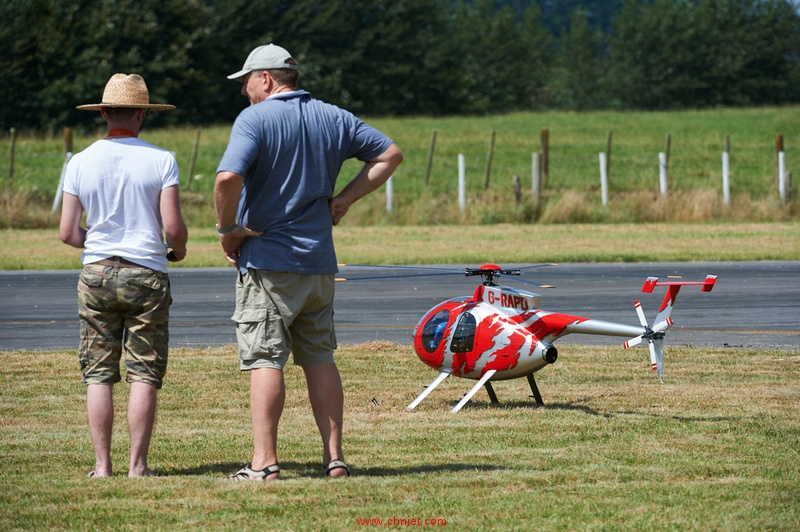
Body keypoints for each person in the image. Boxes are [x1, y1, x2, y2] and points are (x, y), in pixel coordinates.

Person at [215, 44, 403, 480]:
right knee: (320, 358)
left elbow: (227, 177)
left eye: (246, 82)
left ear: (266, 78)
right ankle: (334, 458)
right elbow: (389, 155)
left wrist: (229, 228)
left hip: (268, 261)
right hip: (319, 263)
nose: (244, 91)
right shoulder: (334, 116)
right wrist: (345, 200)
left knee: (265, 359)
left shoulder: (255, 119)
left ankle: (264, 462)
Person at [59, 73, 188, 478]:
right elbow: (172, 228)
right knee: (143, 370)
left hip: (96, 272)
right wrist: (178, 249)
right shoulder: (160, 159)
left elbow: (67, 232)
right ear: (141, 115)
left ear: (101, 113)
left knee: (99, 372)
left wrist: (97, 242)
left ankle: (101, 466)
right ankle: (138, 466)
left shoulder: (79, 161)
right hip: (146, 271)